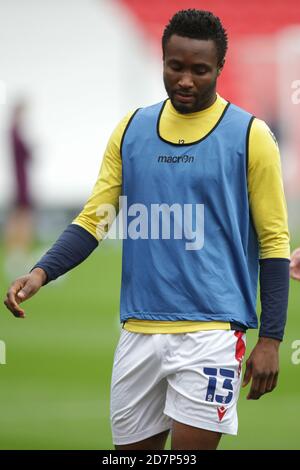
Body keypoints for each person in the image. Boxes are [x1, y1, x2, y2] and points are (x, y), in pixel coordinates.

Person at [4, 10, 290, 450]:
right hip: (137, 333)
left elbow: (274, 243)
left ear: (219, 69)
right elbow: (94, 219)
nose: (186, 80)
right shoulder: (131, 131)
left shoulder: (251, 136)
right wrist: (41, 272)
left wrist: (271, 339)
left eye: (200, 70)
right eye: (176, 67)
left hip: (211, 335)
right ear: (162, 61)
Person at [3, 99, 35, 278]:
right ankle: (19, 254)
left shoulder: (14, 132)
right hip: (21, 183)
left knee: (18, 218)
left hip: (20, 181)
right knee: (23, 220)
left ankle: (16, 254)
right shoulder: (15, 132)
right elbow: (28, 154)